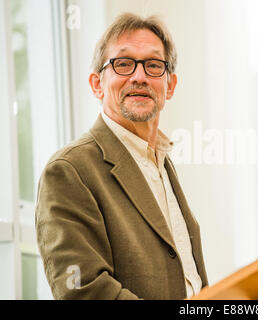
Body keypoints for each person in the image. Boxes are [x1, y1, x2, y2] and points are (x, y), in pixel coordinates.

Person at [35, 13, 208, 300]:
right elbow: (84, 291)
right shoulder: (68, 171)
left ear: (170, 85)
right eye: (123, 64)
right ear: (97, 84)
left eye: (153, 65)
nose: (139, 77)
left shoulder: (163, 165)